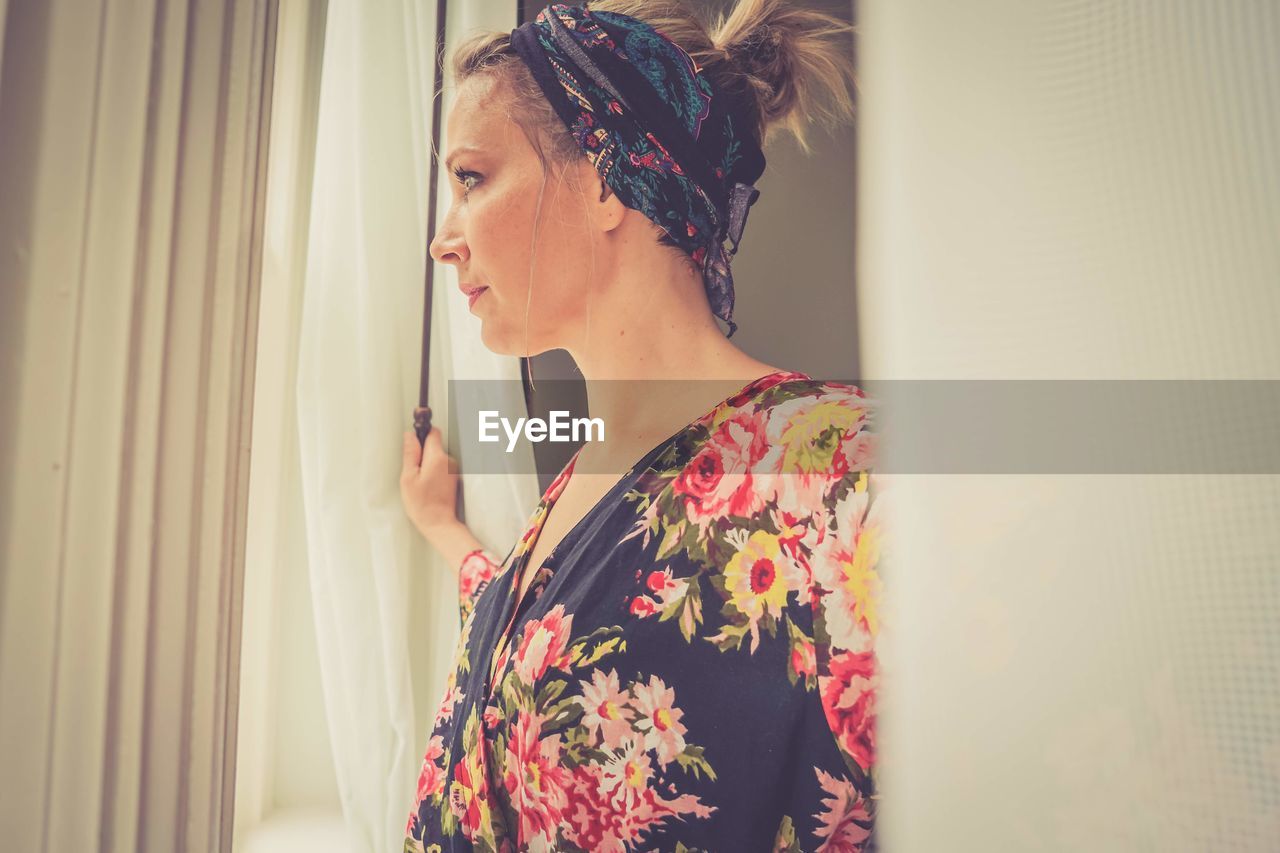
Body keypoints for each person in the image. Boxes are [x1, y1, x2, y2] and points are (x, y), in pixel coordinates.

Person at [399, 1, 879, 850]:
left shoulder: (833, 471)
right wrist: (443, 529)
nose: (444, 239)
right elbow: (571, 648)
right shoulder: (580, 484)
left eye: (471, 178)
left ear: (606, 177)